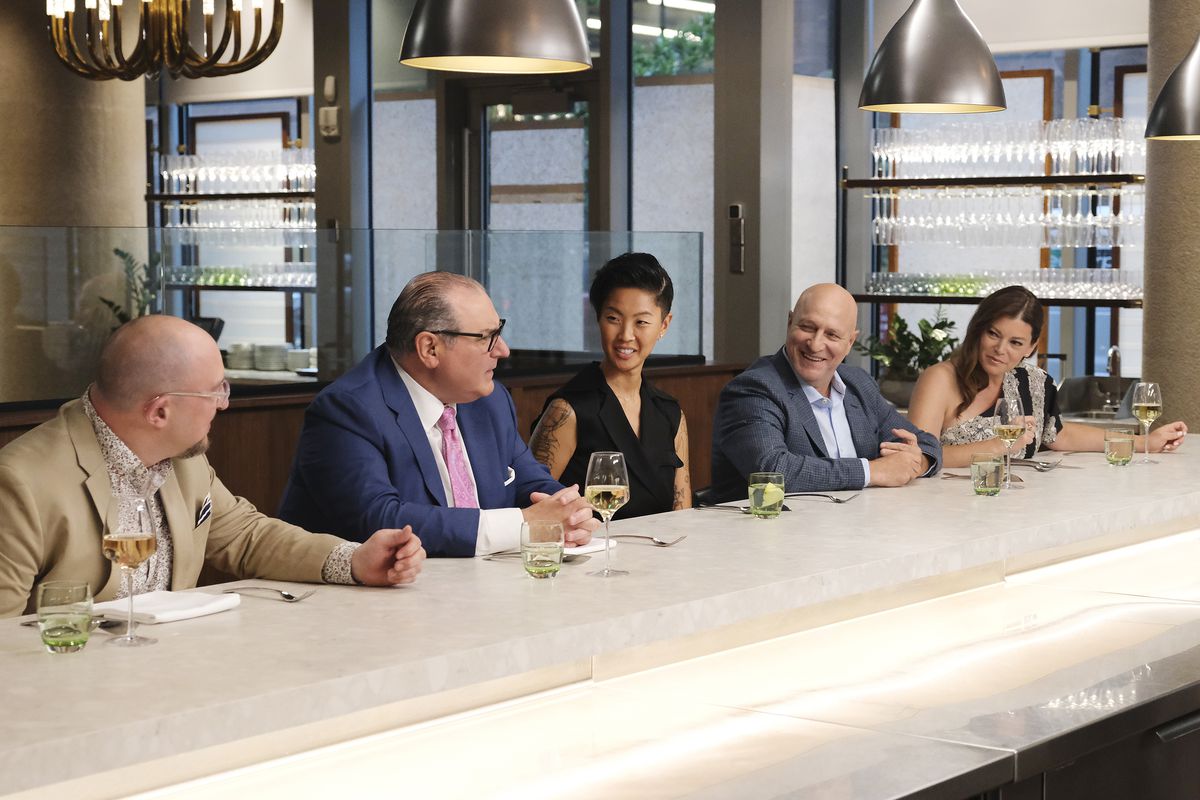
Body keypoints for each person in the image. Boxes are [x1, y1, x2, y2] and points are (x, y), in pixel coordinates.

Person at [0, 315, 426, 618]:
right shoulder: (19, 483)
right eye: (215, 391)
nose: (223, 403)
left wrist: (354, 561)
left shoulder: (183, 456)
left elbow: (247, 537)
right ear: (160, 411)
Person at [278, 272, 598, 557]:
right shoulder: (348, 410)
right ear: (430, 348)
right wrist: (523, 524)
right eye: (487, 338)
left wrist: (568, 511)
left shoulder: (489, 400)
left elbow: (529, 480)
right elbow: (378, 519)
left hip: (474, 586)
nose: (503, 350)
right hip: (362, 597)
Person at [907, 285, 1187, 466]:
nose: (1000, 349)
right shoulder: (940, 379)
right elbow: (917, 457)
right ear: (978, 329)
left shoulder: (1032, 382)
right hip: (949, 510)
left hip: (1017, 509)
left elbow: (1060, 435)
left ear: (1031, 347)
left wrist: (1144, 442)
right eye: (993, 334)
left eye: (1015, 342)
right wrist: (998, 446)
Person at [710, 283, 942, 500]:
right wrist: (872, 471)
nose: (815, 344)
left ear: (850, 342)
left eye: (832, 334)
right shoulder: (754, 389)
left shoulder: (858, 383)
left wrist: (914, 462)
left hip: (858, 522)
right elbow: (772, 471)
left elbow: (927, 443)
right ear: (790, 322)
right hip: (772, 527)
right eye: (807, 327)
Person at [530, 253, 690, 518]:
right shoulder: (567, 410)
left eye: (641, 322)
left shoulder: (671, 413)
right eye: (613, 318)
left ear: (664, 325)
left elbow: (682, 515)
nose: (625, 335)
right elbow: (533, 511)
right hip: (588, 544)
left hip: (661, 545)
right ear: (598, 319)